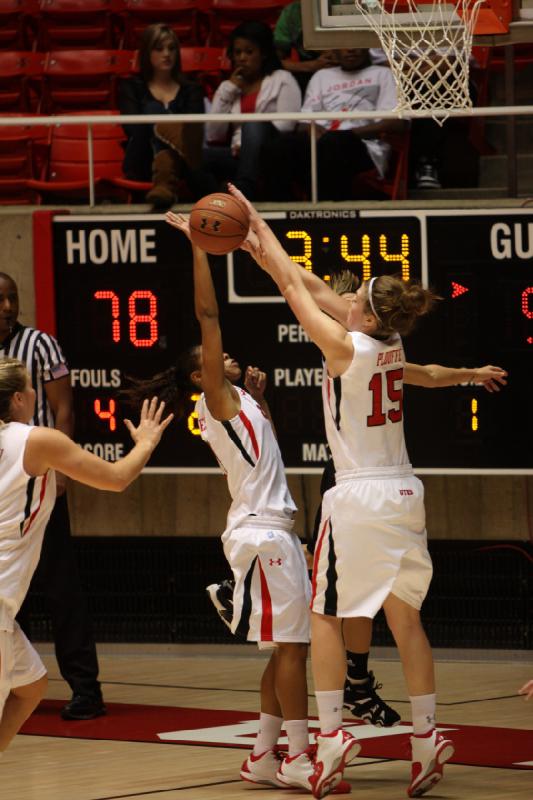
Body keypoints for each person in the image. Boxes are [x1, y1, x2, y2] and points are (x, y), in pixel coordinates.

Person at [228, 183, 508, 798]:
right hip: (406, 493)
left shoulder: (342, 347)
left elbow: (296, 289)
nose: (344, 300)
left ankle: (332, 736)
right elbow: (426, 374)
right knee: (405, 619)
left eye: (354, 298)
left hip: (357, 497)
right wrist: (470, 374)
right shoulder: (390, 343)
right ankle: (427, 737)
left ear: (365, 316)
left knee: (327, 616)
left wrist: (257, 226)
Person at [119, 211, 351, 795]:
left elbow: (265, 456)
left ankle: (263, 756)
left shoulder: (242, 401)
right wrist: (200, 247)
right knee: (296, 649)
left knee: (281, 651)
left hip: (272, 531)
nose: (225, 357)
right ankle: (300, 755)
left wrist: (264, 401)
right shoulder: (217, 400)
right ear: (201, 378)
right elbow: (207, 314)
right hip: (262, 533)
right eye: (213, 360)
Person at [0, 356, 171, 755]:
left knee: (31, 688)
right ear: (20, 400)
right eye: (31, 388)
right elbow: (115, 478)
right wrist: (145, 442)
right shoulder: (37, 440)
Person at [0, 272, 104, 721]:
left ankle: (85, 688)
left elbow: (64, 408)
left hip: (37, 476)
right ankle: (12, 682)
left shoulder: (40, 345)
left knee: (62, 588)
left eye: (12, 297)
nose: (6, 306)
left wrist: (61, 472)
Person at [262, 47, 405, 201]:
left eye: (356, 44)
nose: (351, 50)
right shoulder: (321, 76)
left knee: (333, 142)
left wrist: (349, 133)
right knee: (278, 146)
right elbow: (303, 122)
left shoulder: (384, 74)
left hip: (364, 146)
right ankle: (283, 209)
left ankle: (326, 212)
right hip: (321, 143)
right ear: (334, 50)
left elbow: (396, 123)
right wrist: (311, 127)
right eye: (345, 46)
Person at [118, 23, 214, 210]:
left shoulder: (192, 89)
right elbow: (133, 130)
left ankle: (164, 182)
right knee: (153, 109)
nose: (166, 54)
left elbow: (194, 130)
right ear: (146, 53)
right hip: (142, 160)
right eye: (159, 48)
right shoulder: (131, 88)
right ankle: (166, 173)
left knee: (175, 143)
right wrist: (164, 124)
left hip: (184, 168)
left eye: (171, 48)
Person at [204, 20, 301, 200]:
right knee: (196, 157)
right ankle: (217, 201)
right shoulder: (228, 87)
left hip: (271, 155)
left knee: (253, 123)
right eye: (237, 52)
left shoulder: (282, 79)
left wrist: (247, 144)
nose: (242, 58)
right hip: (237, 155)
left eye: (249, 52)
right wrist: (228, 90)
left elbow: (287, 125)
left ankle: (244, 190)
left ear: (263, 53)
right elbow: (213, 134)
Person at [273, 1, 339, 92]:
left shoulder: (344, 4)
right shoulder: (290, 13)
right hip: (308, 72)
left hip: (344, 66)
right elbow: (274, 61)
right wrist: (311, 66)